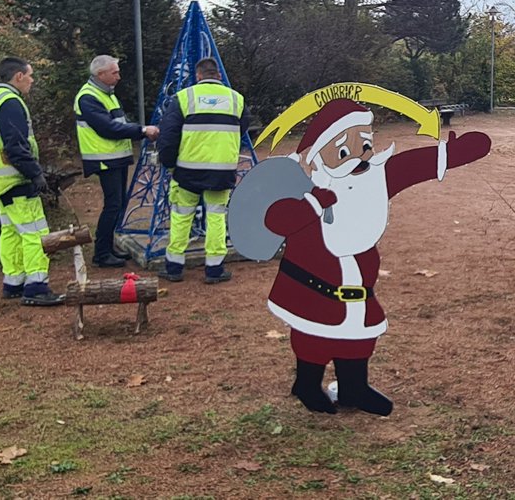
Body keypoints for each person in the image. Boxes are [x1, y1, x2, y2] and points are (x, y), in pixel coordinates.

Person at [264, 98, 491, 415]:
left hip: (358, 295)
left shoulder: (374, 180)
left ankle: (354, 388)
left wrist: (454, 153)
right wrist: (313, 204)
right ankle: (306, 384)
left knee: (358, 340)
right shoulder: (305, 190)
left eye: (365, 146)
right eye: (345, 151)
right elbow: (276, 220)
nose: (359, 159)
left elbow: (410, 167)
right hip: (312, 292)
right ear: (320, 157)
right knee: (312, 338)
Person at [0, 57, 63, 306]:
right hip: (17, 179)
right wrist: (35, 173)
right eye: (30, 75)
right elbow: (15, 145)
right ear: (19, 76)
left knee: (11, 232)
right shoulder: (10, 102)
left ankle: (14, 282)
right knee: (35, 232)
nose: (32, 81)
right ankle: (36, 286)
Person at [156, 58, 248, 284]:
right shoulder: (236, 99)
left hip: (187, 171)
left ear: (198, 76)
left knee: (181, 216)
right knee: (216, 217)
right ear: (218, 75)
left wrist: (169, 163)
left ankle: (174, 267)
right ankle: (214, 269)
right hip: (221, 171)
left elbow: (168, 135)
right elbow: (243, 128)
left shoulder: (184, 98)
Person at [73, 55, 158, 267]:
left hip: (115, 158)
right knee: (112, 205)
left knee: (118, 204)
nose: (119, 76)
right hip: (104, 159)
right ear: (100, 74)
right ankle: (102, 253)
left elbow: (119, 123)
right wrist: (142, 130)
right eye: (114, 72)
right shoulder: (88, 97)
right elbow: (108, 128)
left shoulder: (106, 94)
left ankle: (109, 248)